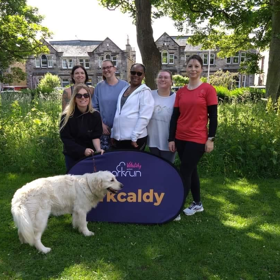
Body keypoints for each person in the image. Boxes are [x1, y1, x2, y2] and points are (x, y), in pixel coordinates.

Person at [168, 54, 218, 216]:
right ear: (186, 68)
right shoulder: (181, 92)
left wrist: (210, 139)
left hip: (197, 138)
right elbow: (175, 117)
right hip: (180, 137)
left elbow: (214, 117)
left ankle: (175, 207)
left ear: (201, 69)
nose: (193, 69)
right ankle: (197, 203)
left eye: (196, 66)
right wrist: (171, 138)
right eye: (190, 66)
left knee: (184, 171)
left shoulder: (208, 90)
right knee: (191, 171)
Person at [60, 84, 103, 170]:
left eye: (86, 95)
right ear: (75, 99)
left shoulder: (95, 115)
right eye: (79, 95)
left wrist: (98, 149)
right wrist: (82, 150)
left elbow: (95, 136)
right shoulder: (66, 116)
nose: (83, 98)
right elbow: (66, 139)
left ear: (89, 98)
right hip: (72, 155)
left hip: (89, 155)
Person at [111, 63, 154, 150]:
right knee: (121, 163)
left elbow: (144, 117)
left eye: (139, 73)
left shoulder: (145, 92)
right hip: (120, 138)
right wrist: (113, 133)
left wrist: (134, 136)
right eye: (133, 72)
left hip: (135, 139)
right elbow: (118, 113)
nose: (135, 75)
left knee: (133, 164)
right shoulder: (124, 89)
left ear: (144, 75)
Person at [92, 60, 128, 150]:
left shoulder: (125, 86)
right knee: (106, 159)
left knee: (121, 159)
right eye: (104, 68)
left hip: (121, 130)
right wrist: (101, 124)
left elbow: (129, 106)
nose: (106, 70)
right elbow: (94, 107)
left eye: (109, 67)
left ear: (114, 68)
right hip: (105, 130)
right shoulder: (99, 87)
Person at [147, 70, 176, 163]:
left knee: (167, 169)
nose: (162, 79)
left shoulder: (176, 98)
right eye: (160, 77)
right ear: (156, 80)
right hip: (153, 140)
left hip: (169, 141)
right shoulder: (149, 94)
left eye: (166, 77)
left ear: (171, 82)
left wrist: (174, 139)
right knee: (155, 169)